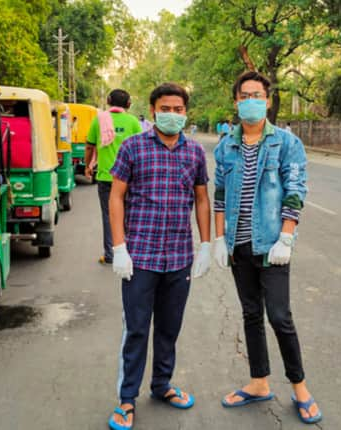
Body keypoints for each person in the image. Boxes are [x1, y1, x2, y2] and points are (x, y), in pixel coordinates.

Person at [212, 71, 321, 424]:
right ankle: (259, 381)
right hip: (238, 246)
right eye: (245, 95)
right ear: (236, 101)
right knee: (250, 314)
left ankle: (300, 387)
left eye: (258, 94)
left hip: (272, 247)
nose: (251, 100)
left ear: (268, 100)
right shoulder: (225, 145)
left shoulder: (287, 144)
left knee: (279, 316)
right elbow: (219, 195)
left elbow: (295, 190)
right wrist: (217, 239)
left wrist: (286, 237)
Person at [107, 82, 212, 430]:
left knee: (169, 329)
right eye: (165, 109)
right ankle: (126, 399)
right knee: (137, 330)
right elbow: (116, 197)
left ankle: (162, 385)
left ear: (185, 113)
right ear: (152, 111)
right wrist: (118, 247)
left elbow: (201, 199)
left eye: (178, 109)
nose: (171, 114)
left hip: (178, 256)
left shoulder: (194, 153)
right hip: (139, 257)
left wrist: (207, 245)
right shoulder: (133, 147)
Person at [86, 89, 142, 266]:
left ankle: (111, 254)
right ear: (128, 104)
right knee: (130, 214)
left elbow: (89, 147)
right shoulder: (133, 122)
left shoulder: (99, 120)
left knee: (109, 215)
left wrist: (88, 166)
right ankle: (131, 251)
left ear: (109, 101)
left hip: (106, 177)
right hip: (130, 178)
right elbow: (140, 148)